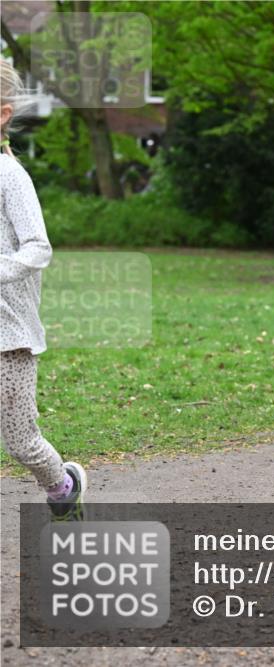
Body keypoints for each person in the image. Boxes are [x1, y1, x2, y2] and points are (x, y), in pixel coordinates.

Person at [0, 61, 87, 520]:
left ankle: (62, 487)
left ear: (2, 114)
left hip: (8, 333)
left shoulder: (10, 176)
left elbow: (38, 248)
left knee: (21, 441)